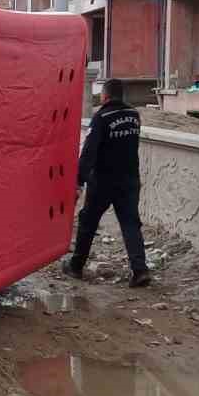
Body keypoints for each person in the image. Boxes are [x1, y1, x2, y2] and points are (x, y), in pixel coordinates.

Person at [64, 78, 151, 287]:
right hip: (130, 180)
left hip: (103, 181)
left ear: (105, 96)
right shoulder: (134, 116)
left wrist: (78, 180)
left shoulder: (102, 117)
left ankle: (76, 265)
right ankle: (140, 270)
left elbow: (89, 152)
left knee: (88, 221)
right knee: (131, 224)